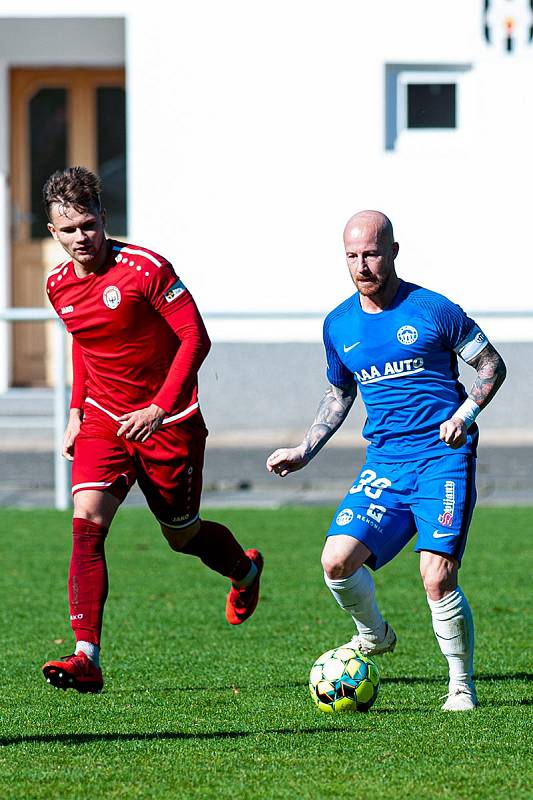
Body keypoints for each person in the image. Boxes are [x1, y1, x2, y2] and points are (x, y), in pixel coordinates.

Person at [267, 210, 506, 711]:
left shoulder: (433, 309)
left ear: (394, 251)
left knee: (437, 575)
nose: (363, 266)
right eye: (352, 256)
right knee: (335, 561)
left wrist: (464, 414)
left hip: (443, 457)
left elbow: (491, 365)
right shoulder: (338, 325)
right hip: (386, 463)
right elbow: (338, 396)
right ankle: (374, 635)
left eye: (372, 253)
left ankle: (461, 684)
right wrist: (304, 450)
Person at [41, 166, 263, 693]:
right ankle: (85, 655)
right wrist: (76, 411)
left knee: (182, 535)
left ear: (103, 217)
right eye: (68, 230)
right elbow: (84, 342)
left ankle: (245, 572)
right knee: (87, 519)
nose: (80, 238)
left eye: (88, 225)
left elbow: (195, 337)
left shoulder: (145, 268)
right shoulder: (57, 286)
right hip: (104, 422)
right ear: (53, 232)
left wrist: (160, 407)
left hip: (171, 424)